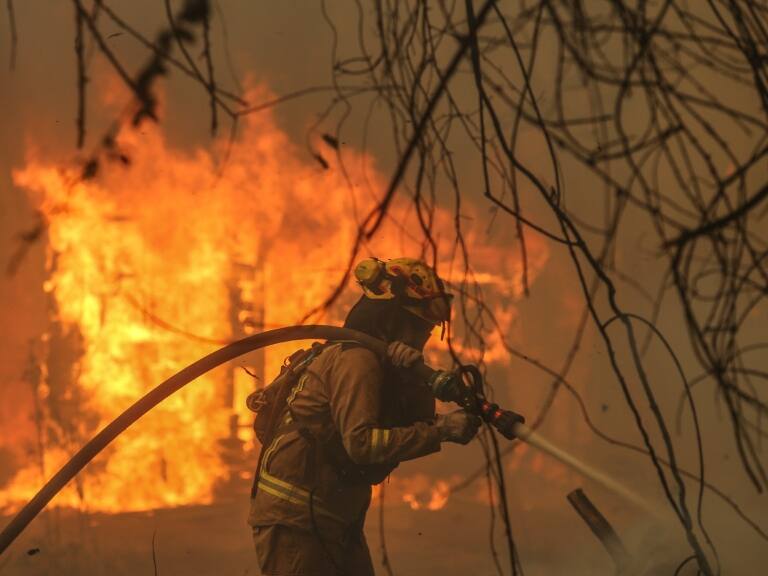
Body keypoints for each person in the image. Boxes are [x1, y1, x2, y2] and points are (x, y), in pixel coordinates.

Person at [248, 257, 481, 576]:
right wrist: (441, 431)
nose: (422, 336)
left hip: (333, 519)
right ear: (390, 319)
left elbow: (409, 423)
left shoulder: (378, 364)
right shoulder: (357, 361)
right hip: (297, 519)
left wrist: (411, 377)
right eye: (416, 326)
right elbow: (363, 444)